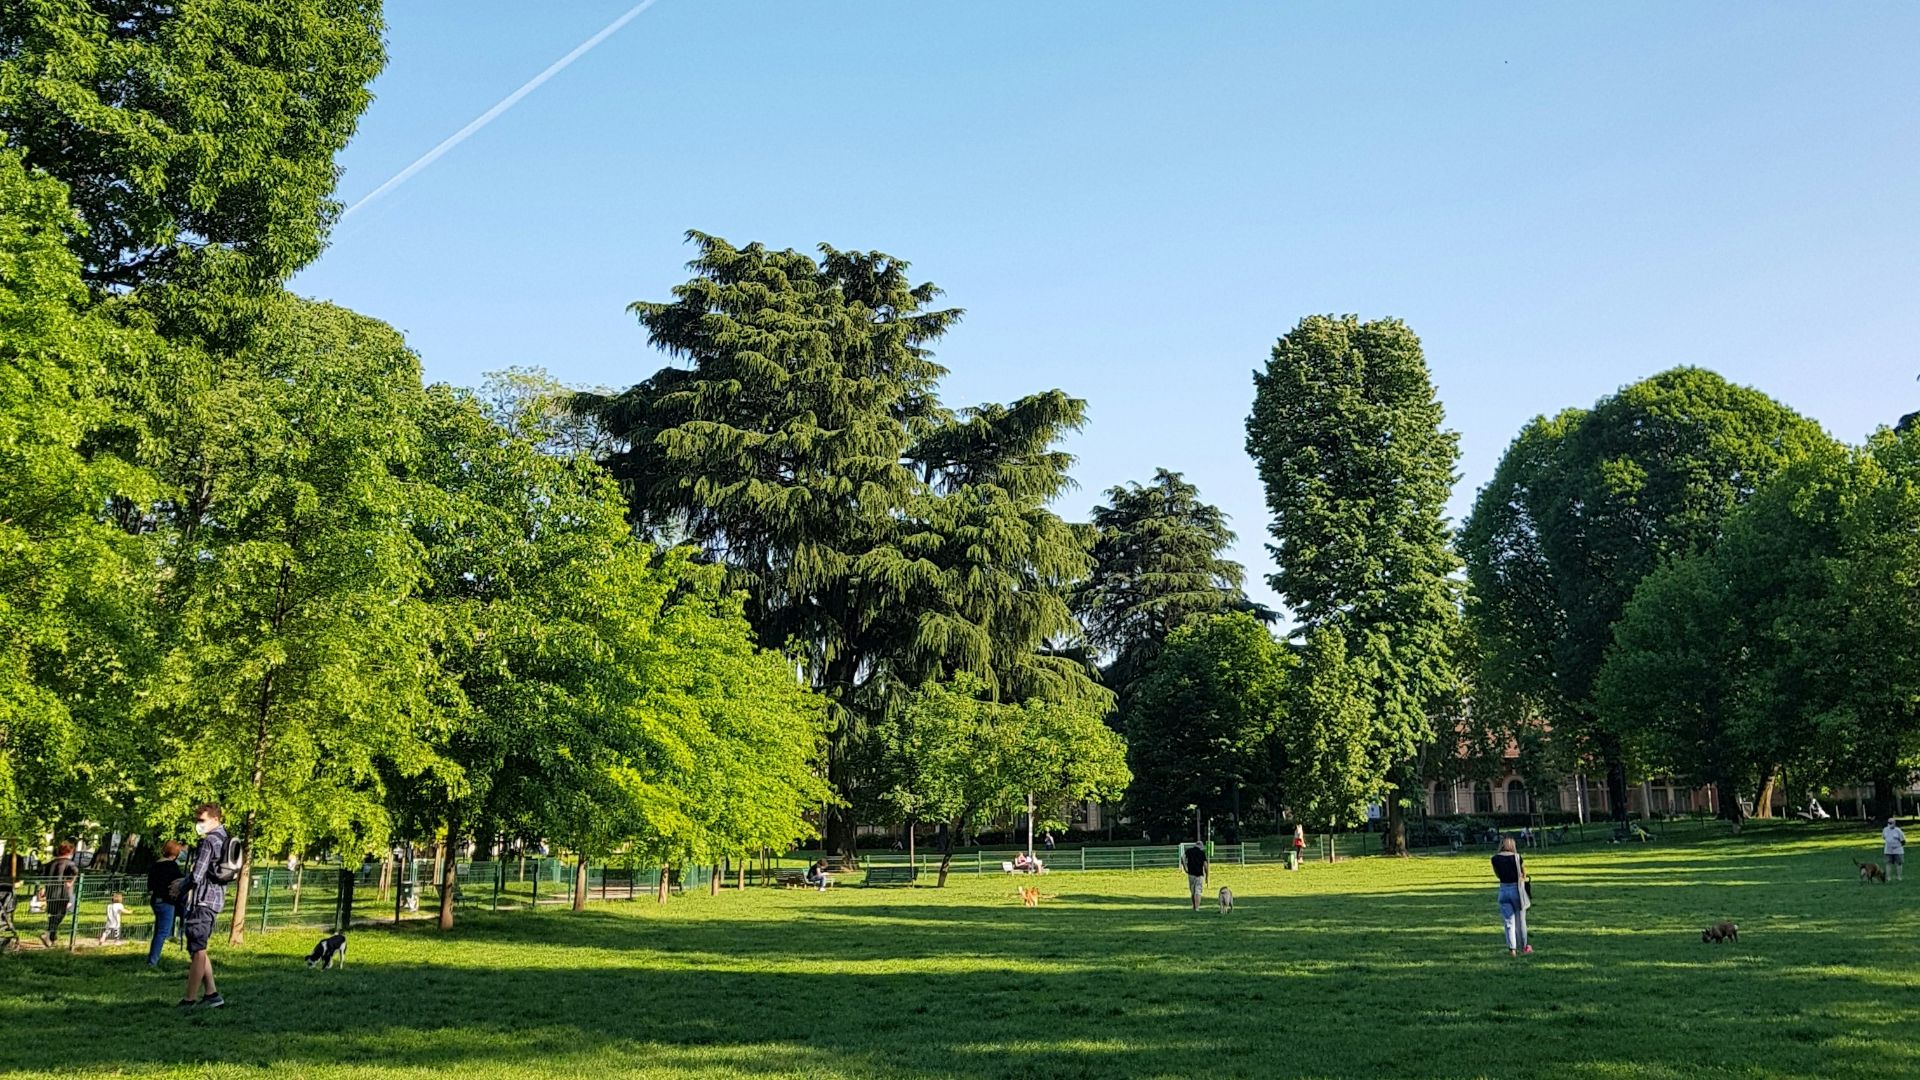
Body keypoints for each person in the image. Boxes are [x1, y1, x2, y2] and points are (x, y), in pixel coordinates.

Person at [173, 803, 229, 1008]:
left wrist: (180, 886)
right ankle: (212, 994)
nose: (199, 825)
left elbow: (197, 875)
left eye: (202, 820)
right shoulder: (226, 839)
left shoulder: (210, 842)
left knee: (197, 950)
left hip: (203, 899)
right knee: (200, 948)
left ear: (215, 819)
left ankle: (189, 999)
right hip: (217, 900)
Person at [146, 840, 185, 968]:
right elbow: (180, 883)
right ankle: (152, 962)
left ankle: (152, 958)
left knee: (158, 931)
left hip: (156, 900)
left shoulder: (155, 865)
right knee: (163, 932)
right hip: (167, 901)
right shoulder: (172, 867)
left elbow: (150, 885)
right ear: (176, 853)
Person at [1492, 837, 1531, 957]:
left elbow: (1498, 875)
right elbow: (1523, 874)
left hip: (1503, 889)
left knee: (1509, 922)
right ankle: (1524, 947)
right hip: (1516, 890)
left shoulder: (1494, 859)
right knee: (1521, 921)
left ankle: (1512, 949)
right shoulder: (1517, 857)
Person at [38, 842, 78, 947]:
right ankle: (48, 933)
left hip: (50, 892)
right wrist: (70, 882)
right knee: (60, 914)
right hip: (62, 892)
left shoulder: (50, 863)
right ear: (70, 851)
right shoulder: (69, 863)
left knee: (52, 915)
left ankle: (52, 939)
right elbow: (75, 871)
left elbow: (43, 874)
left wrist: (44, 888)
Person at [1181, 842, 1208, 912]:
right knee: (1198, 891)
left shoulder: (1189, 851)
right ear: (1201, 847)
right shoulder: (1202, 853)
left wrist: (1185, 868)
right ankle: (1197, 908)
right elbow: (1205, 865)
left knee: (1193, 891)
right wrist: (1207, 875)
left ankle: (1194, 906)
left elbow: (1182, 857)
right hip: (1199, 875)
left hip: (1191, 874)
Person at [1884, 818, 1906, 883]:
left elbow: (1903, 841)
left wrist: (1898, 846)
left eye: (1891, 823)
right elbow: (1884, 837)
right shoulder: (1885, 830)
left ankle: (1899, 877)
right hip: (1888, 850)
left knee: (1899, 863)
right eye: (1889, 823)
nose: (1889, 824)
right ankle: (1888, 877)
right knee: (1888, 863)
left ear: (1894, 823)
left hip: (1898, 850)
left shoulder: (1898, 830)